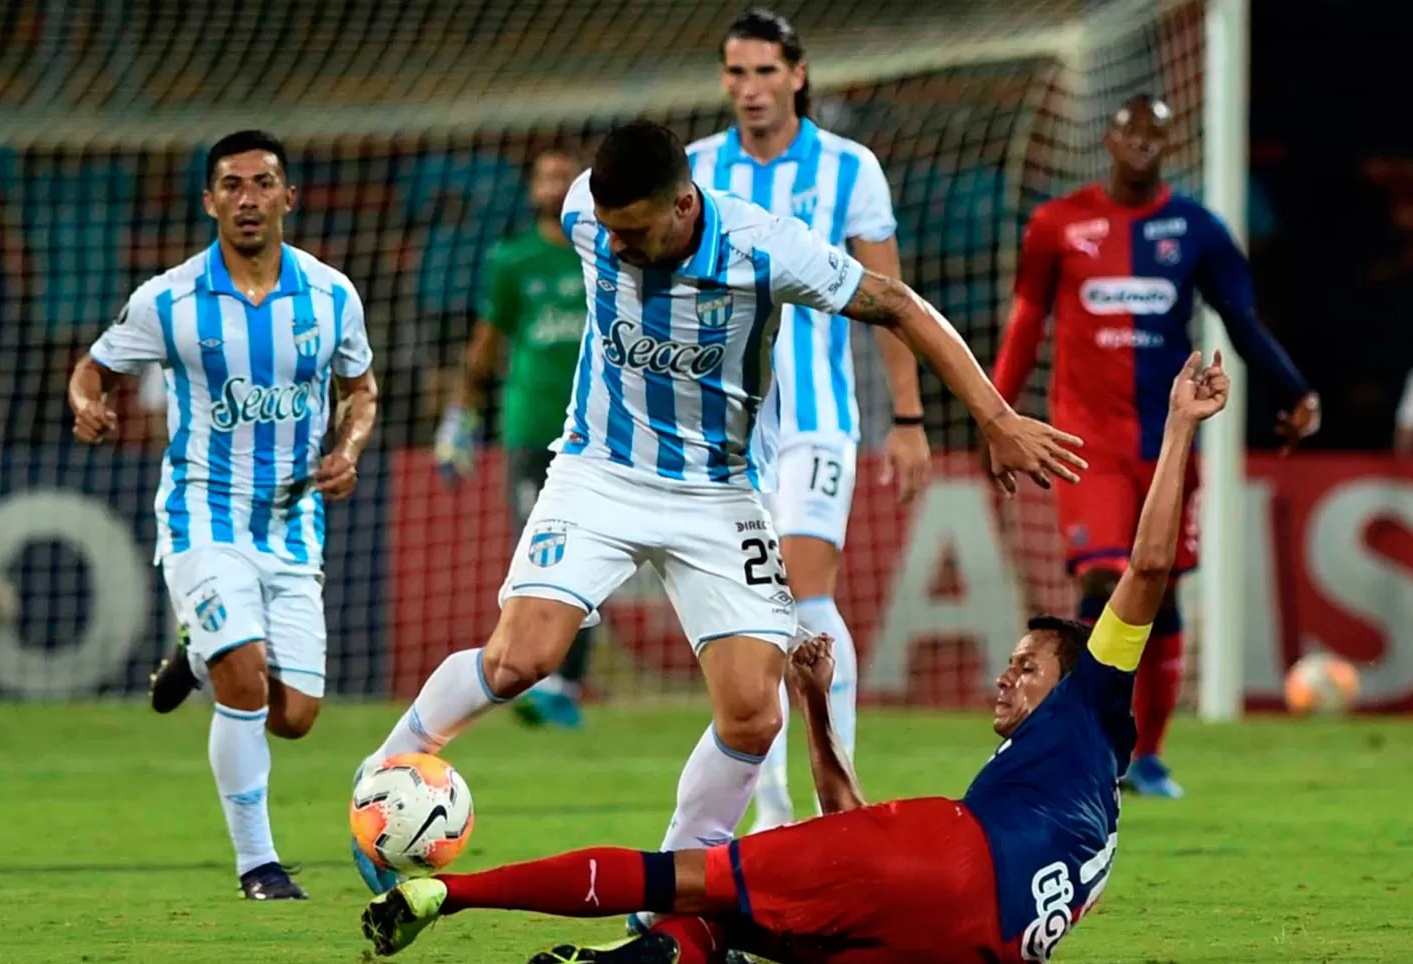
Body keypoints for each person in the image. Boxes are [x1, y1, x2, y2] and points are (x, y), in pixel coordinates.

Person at [350, 120, 1084, 897]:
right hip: (600, 471)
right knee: (520, 659)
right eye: (610, 233)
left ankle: (674, 888)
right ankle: (381, 781)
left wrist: (995, 417)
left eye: (635, 233)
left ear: (682, 205)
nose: (619, 249)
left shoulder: (766, 248)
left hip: (719, 493)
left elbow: (898, 304)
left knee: (753, 716)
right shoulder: (583, 216)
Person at [357, 350, 1229, 964]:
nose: (1007, 677)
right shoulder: (1055, 790)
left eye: (1028, 665)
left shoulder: (1094, 701)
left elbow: (1146, 568)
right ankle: (669, 949)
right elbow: (854, 833)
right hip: (972, 949)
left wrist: (1182, 427)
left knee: (685, 876)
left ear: (1075, 678)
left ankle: (453, 896)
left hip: (959, 865)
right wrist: (815, 707)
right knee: (765, 923)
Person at [69, 130, 379, 900]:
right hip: (202, 514)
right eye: (232, 186)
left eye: (263, 183)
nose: (248, 198)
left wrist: (348, 450)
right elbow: (93, 370)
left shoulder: (333, 294)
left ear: (288, 197)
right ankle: (259, 866)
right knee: (247, 683)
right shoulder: (167, 299)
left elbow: (361, 390)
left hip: (292, 524)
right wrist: (87, 407)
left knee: (296, 714)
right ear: (210, 201)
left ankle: (198, 654)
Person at [992, 94, 1320, 798]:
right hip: (1086, 440)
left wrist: (1295, 390)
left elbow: (1242, 320)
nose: (1142, 142)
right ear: (1108, 138)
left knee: (1161, 590)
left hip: (1167, 440)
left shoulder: (1197, 230)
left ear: (1169, 144)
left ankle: (1150, 758)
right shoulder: (1058, 224)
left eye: (1156, 134)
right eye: (1130, 130)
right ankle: (1083, 746)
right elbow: (1026, 320)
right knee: (1105, 580)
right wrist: (997, 414)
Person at [687, 8, 929, 833]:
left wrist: (908, 417)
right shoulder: (696, 170)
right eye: (736, 73)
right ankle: (776, 811)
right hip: (726, 426)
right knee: (757, 611)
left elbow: (893, 302)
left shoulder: (849, 168)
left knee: (805, 597)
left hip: (820, 418)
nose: (749, 89)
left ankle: (831, 806)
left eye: (764, 72)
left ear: (797, 74)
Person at [433, 149, 594, 729]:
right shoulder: (511, 259)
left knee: (589, 552)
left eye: (563, 175)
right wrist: (459, 418)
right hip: (530, 424)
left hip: (596, 433)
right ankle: (540, 676)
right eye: (544, 176)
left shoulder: (604, 250)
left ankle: (566, 684)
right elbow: (486, 340)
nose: (553, 184)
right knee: (540, 548)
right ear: (530, 189)